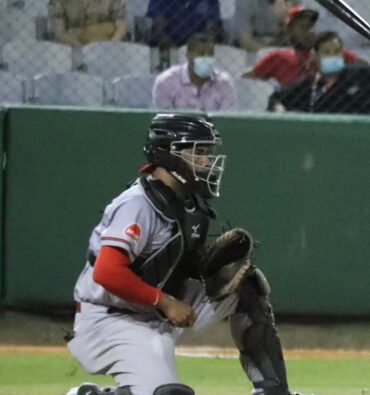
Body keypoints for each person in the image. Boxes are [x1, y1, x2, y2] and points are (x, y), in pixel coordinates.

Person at [65, 113, 304, 395]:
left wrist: (208, 268)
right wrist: (165, 302)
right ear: (170, 153)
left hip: (156, 310)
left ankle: (273, 391)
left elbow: (176, 263)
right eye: (198, 152)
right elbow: (107, 272)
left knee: (249, 285)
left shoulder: (188, 204)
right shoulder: (137, 205)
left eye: (207, 152)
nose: (206, 161)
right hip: (112, 319)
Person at [268, 31, 370, 115]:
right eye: (327, 52)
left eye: (336, 52)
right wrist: (281, 111)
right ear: (315, 55)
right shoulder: (308, 85)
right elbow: (276, 98)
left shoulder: (362, 75)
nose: (333, 56)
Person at [243, 6, 361, 88]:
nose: (310, 31)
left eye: (312, 26)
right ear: (290, 30)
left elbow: (365, 67)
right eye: (303, 27)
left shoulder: (330, 51)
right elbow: (248, 78)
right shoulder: (277, 57)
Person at [152, 33, 236, 111]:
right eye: (201, 54)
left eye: (210, 54)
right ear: (188, 55)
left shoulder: (224, 83)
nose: (206, 58)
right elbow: (164, 119)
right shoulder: (166, 81)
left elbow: (227, 120)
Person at [147, 0, 222, 49]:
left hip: (198, 45)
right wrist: (173, 49)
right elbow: (159, 29)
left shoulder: (210, 1)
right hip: (169, 44)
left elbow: (211, 31)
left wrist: (199, 48)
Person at [49, 0, 128, 46]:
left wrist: (111, 44)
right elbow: (59, 33)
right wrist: (82, 47)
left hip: (106, 45)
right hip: (73, 46)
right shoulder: (58, 2)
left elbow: (121, 25)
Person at [235, 0, 301, 52]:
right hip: (252, 52)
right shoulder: (245, 2)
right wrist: (274, 55)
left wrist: (286, 19)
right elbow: (245, 41)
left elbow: (299, 38)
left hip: (282, 47)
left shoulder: (293, 2)